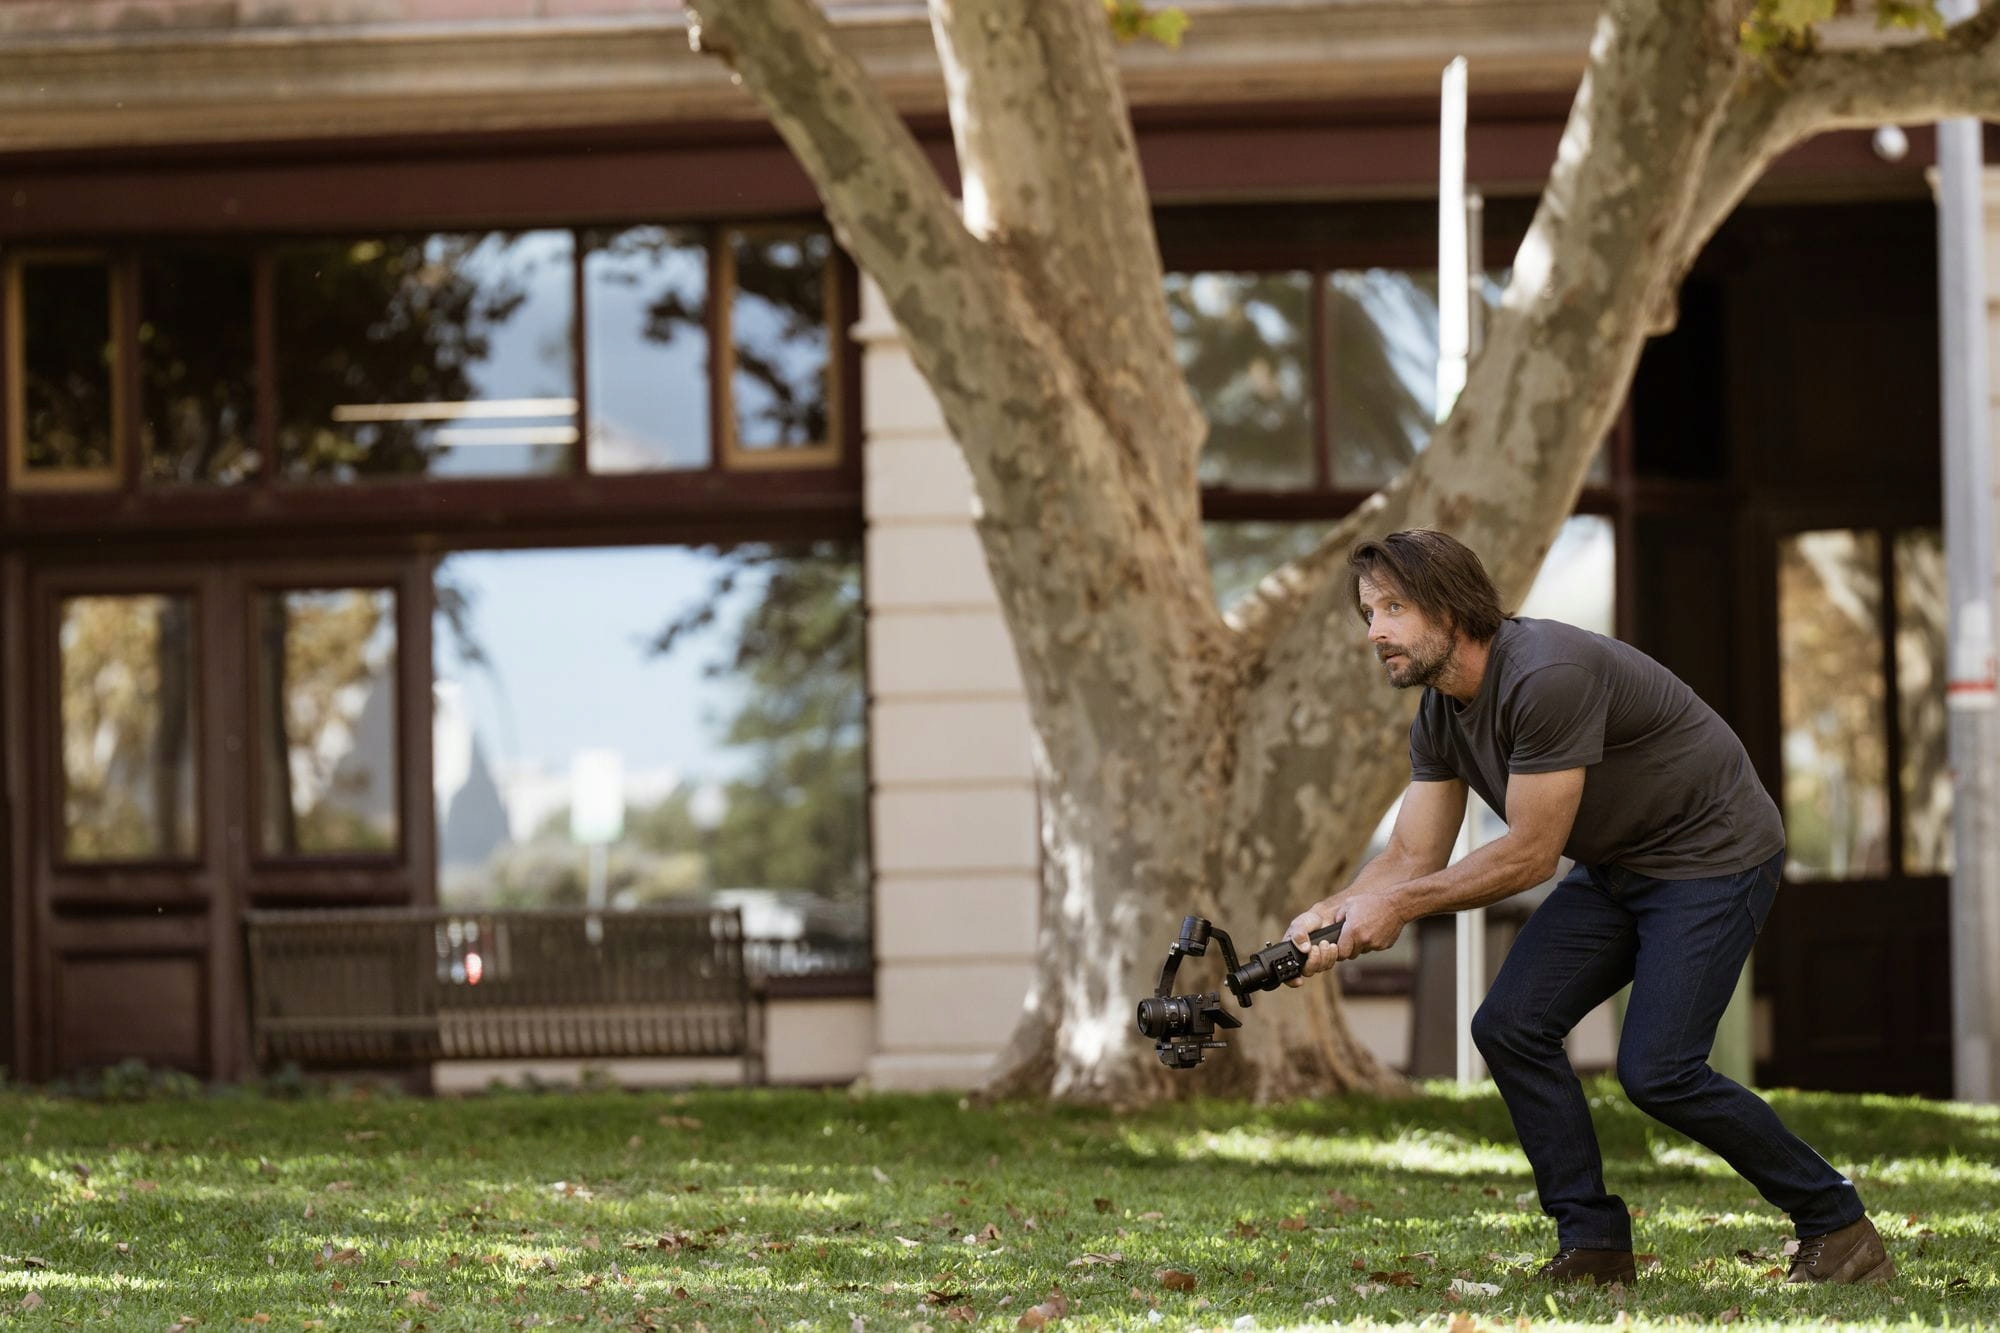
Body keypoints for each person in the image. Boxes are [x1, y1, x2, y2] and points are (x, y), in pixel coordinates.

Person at [1283, 528, 1893, 1287]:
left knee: (1659, 1070)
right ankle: (1595, 1244)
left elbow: (1530, 855)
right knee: (1511, 1025)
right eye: (1369, 613)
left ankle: (1837, 1222)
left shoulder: (1545, 676)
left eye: (1394, 608)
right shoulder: (1441, 712)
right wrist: (1332, 912)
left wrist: (1398, 908)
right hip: (1621, 864)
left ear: (1451, 607)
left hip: (1714, 854)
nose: (1375, 631)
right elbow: (1410, 854)